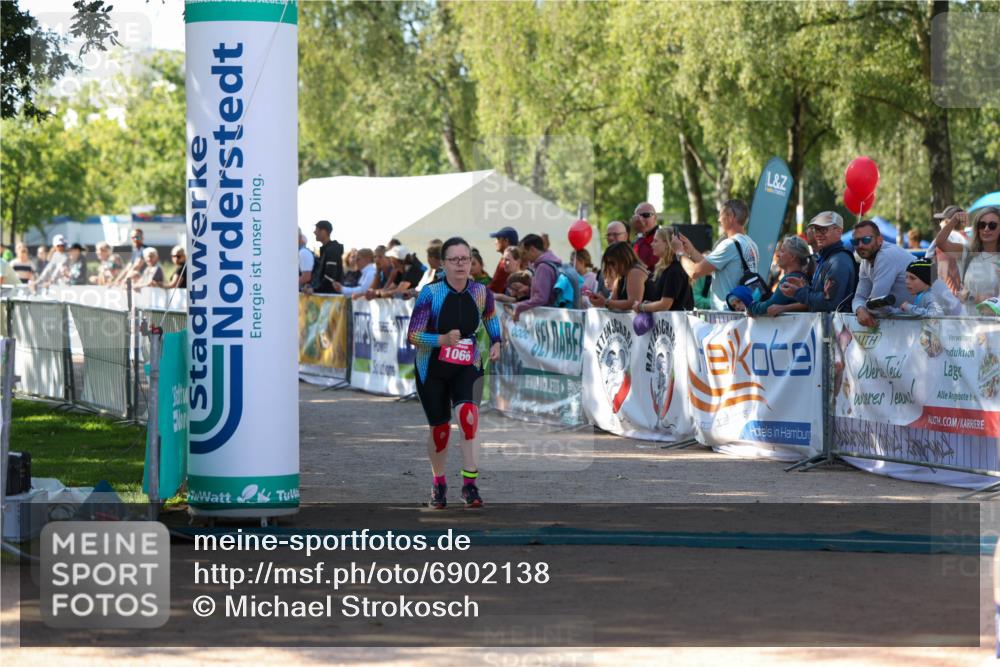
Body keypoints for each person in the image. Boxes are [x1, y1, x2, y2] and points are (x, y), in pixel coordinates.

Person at [407, 237, 501, 509]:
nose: (461, 264)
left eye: (465, 259)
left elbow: (491, 317)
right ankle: (439, 484)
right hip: (432, 368)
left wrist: (496, 341)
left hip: (467, 364)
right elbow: (413, 335)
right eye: (454, 259)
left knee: (468, 417)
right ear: (443, 263)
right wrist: (441, 340)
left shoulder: (482, 292)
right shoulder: (430, 293)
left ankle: (470, 485)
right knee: (441, 430)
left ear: (472, 262)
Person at [673, 199, 758, 310]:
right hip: (740, 314)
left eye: (721, 215)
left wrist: (679, 252)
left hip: (726, 316)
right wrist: (691, 251)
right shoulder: (751, 243)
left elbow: (694, 272)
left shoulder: (729, 245)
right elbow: (711, 267)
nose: (718, 220)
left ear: (731, 216)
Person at [779, 211, 857, 312]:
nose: (818, 234)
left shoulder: (839, 261)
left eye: (824, 229)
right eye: (816, 230)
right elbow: (823, 298)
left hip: (837, 326)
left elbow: (829, 303)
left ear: (838, 231)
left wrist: (798, 293)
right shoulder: (828, 258)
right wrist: (806, 288)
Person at [933, 205, 1000, 311]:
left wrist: (973, 297)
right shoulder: (968, 252)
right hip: (967, 322)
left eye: (992, 225)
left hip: (994, 323)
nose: (986, 229)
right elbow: (940, 242)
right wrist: (954, 220)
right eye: (982, 225)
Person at [850, 219, 914, 327]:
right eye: (855, 242)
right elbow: (860, 297)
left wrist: (864, 308)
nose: (860, 245)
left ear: (880, 240)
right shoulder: (865, 262)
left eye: (866, 240)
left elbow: (875, 306)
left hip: (941, 316)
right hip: (917, 322)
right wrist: (860, 309)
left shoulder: (886, 255)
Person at [749, 236, 813, 317]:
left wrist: (751, 307)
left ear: (792, 257)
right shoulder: (801, 277)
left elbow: (769, 306)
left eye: (782, 251)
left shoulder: (790, 280)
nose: (778, 254)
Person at [636, 227, 693, 313]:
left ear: (667, 244)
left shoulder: (675, 269)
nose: (651, 244)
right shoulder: (665, 268)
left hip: (676, 324)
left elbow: (665, 305)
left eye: (655, 241)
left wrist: (641, 307)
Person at [513, 234, 564, 321]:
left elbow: (541, 298)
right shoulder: (550, 263)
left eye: (524, 253)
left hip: (547, 319)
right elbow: (548, 290)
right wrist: (529, 290)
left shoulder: (543, 267)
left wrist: (519, 307)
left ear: (532, 250)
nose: (523, 257)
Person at [889, 258, 961, 317]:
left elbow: (937, 314)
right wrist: (887, 310)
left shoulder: (929, 296)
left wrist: (910, 308)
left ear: (926, 282)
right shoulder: (921, 296)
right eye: (906, 277)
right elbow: (915, 312)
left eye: (912, 278)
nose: (907, 281)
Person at [588, 242, 647, 311]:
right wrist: (601, 301)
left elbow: (634, 303)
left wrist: (605, 302)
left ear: (623, 259)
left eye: (612, 263)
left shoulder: (635, 272)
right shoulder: (620, 276)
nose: (610, 267)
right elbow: (613, 301)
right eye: (608, 263)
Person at [925, 205, 969, 294]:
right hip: (967, 296)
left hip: (948, 296)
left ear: (948, 222)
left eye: (941, 220)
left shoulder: (941, 242)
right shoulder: (970, 240)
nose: (939, 223)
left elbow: (928, 265)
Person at [304, 220, 344, 295]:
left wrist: (315, 289)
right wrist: (310, 285)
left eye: (316, 230)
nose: (314, 232)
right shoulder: (326, 250)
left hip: (330, 299)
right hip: (325, 297)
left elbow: (330, 277)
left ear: (324, 232)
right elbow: (320, 275)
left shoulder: (332, 250)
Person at [487, 226, 518, 294]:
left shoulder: (505, 263)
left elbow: (495, 286)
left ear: (506, 241)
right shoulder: (516, 258)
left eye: (498, 239)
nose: (495, 242)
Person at [631, 202, 660, 272]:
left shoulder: (661, 238)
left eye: (646, 215)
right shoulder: (637, 237)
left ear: (655, 218)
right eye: (637, 216)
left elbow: (646, 262)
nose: (641, 219)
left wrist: (640, 232)